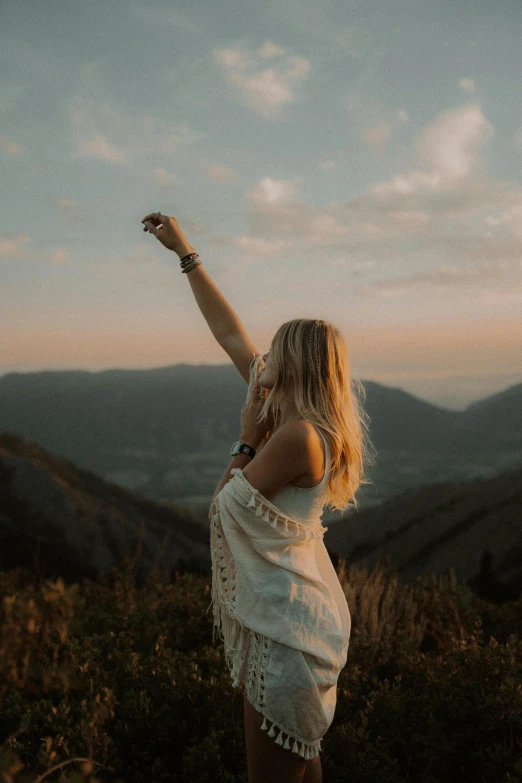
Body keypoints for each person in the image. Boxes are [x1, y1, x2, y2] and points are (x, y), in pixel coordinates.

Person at [141, 211, 375, 783]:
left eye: (274, 352)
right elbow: (228, 333)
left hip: (286, 630)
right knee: (304, 769)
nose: (260, 358)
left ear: (295, 365)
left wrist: (245, 434)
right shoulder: (296, 415)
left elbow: (225, 504)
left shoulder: (295, 435)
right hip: (293, 618)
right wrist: (185, 252)